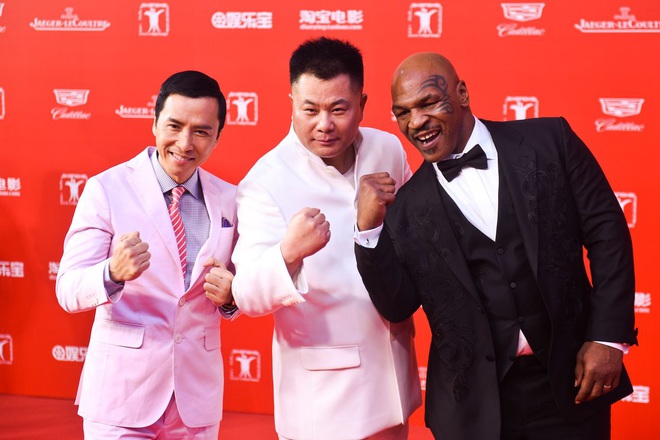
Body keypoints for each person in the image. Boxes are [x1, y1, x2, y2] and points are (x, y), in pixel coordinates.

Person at [354, 52, 637, 440]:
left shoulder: (550, 141)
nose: (415, 122)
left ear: (462, 93)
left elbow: (608, 235)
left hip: (572, 383)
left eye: (428, 103)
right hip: (473, 408)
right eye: (402, 113)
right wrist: (368, 230)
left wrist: (607, 338)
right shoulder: (407, 205)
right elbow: (397, 305)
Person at [230, 37, 422, 440]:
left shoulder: (388, 148)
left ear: (362, 104)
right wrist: (289, 253)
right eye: (310, 109)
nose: (324, 124)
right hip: (326, 402)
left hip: (394, 380)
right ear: (291, 104)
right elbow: (246, 294)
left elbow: (412, 239)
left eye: (338, 109)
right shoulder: (265, 181)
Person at [56, 70, 238, 439]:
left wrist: (232, 297)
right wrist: (112, 272)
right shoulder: (106, 189)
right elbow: (68, 289)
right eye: (174, 126)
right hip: (121, 395)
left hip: (195, 400)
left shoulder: (231, 199)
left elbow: (240, 286)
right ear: (154, 124)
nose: (185, 143)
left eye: (201, 131)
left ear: (217, 137)